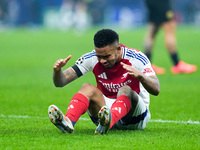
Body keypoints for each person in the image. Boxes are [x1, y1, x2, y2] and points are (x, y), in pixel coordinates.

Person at [48, 29, 160, 134]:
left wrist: (141, 76)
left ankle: (108, 122)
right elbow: (60, 82)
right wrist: (57, 71)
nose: (102, 61)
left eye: (107, 56)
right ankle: (68, 122)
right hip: (104, 114)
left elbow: (156, 89)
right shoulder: (91, 58)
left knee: (125, 89)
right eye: (99, 56)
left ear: (118, 49)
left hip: (135, 117)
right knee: (87, 87)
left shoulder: (137, 58)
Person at [143, 0, 197, 75]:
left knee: (152, 32)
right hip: (161, 3)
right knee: (169, 28)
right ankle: (177, 64)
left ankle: (147, 66)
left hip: (150, 2)